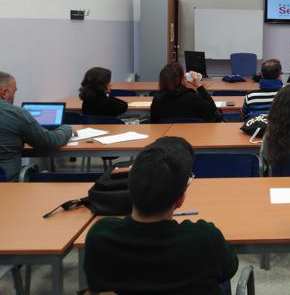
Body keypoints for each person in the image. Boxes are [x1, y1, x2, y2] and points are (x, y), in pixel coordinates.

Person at [84, 136, 239, 294]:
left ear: (129, 188)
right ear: (180, 200)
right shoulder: (205, 239)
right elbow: (230, 268)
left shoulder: (99, 237)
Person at [0, 71, 73, 180]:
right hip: (7, 186)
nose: (14, 97)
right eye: (14, 92)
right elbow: (49, 142)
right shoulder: (16, 114)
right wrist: (67, 129)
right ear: (4, 93)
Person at [150, 62, 222, 123]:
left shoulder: (157, 99)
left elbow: (153, 121)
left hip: (166, 136)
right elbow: (212, 110)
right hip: (195, 136)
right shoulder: (192, 97)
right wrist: (199, 86)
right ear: (181, 79)